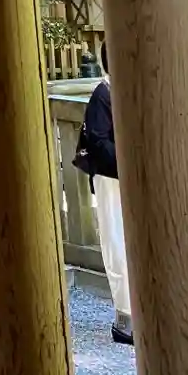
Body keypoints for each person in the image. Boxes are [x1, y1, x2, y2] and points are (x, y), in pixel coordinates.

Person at [76, 43, 132, 345]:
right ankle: (125, 319)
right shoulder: (103, 94)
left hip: (129, 179)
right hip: (112, 179)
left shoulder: (125, 92)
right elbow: (98, 142)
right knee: (118, 245)